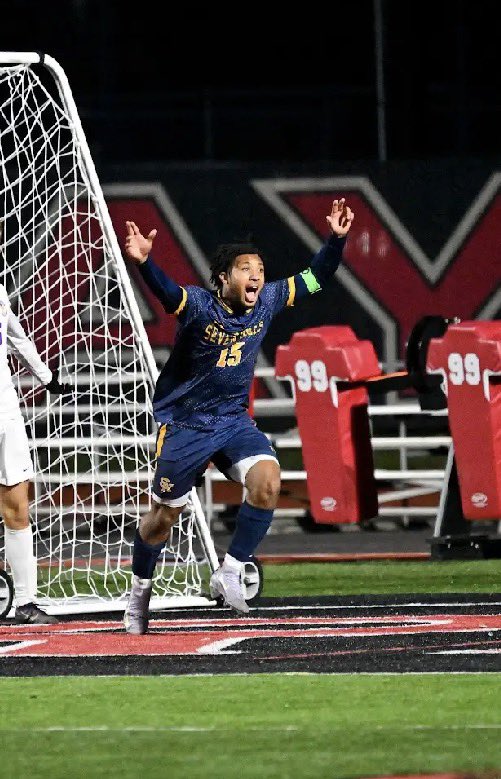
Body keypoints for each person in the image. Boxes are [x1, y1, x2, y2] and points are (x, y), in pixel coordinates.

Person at [123, 198, 354, 634]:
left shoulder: (267, 300)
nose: (257, 276)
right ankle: (139, 594)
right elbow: (168, 293)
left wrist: (335, 240)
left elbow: (317, 278)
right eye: (247, 269)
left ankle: (232, 567)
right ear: (224, 278)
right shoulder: (197, 305)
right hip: (187, 423)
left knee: (268, 479)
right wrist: (145, 264)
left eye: (261, 270)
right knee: (163, 516)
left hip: (231, 420)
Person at [0, 281, 71, 624]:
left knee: (17, 503)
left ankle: (25, 603)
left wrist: (46, 376)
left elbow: (15, 336)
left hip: (5, 412)